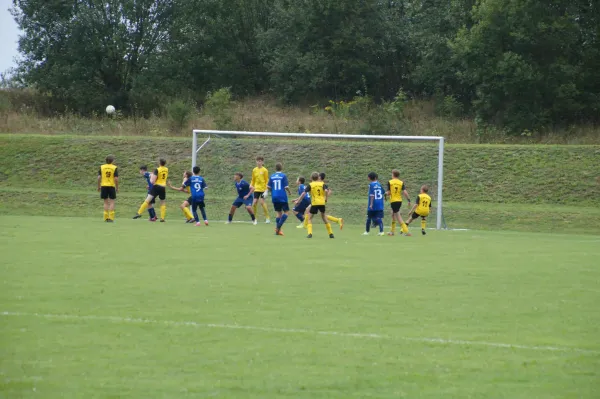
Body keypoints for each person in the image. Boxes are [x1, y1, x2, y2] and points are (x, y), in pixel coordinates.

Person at [296, 172, 334, 239]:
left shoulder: (311, 185)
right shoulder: (322, 184)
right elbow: (326, 190)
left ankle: (310, 233)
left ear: (311, 178)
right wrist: (326, 198)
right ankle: (331, 233)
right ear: (318, 177)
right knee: (324, 218)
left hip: (315, 203)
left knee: (309, 218)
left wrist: (298, 201)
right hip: (322, 203)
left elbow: (303, 193)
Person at [267, 163, 292, 236]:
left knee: (278, 213)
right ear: (281, 168)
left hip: (274, 196)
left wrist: (273, 191)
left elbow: (268, 187)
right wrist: (289, 192)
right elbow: (286, 186)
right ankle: (278, 227)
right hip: (282, 196)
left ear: (275, 168)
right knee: (286, 212)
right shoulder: (283, 176)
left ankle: (278, 232)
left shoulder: (272, 176)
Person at [386, 169, 411, 236]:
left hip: (394, 201)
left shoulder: (390, 182)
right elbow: (405, 192)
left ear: (393, 174)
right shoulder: (401, 182)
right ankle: (392, 232)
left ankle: (406, 232)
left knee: (398, 216)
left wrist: (385, 194)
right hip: (399, 201)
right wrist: (408, 200)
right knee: (393, 214)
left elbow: (389, 193)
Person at [98, 155, 118, 222]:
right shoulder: (114, 167)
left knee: (105, 202)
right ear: (112, 161)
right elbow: (116, 178)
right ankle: (111, 218)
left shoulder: (102, 167)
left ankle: (106, 217)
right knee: (112, 202)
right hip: (111, 186)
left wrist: (98, 186)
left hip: (103, 186)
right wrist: (117, 187)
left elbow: (99, 177)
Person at [250, 156, 271, 223]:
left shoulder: (265, 170)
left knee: (262, 202)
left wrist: (266, 190)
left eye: (260, 161)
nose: (259, 162)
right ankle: (255, 218)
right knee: (254, 202)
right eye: (258, 161)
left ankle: (267, 218)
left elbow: (267, 180)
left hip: (263, 189)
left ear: (262, 162)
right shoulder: (254, 170)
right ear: (256, 162)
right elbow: (253, 179)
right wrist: (251, 185)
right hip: (256, 189)